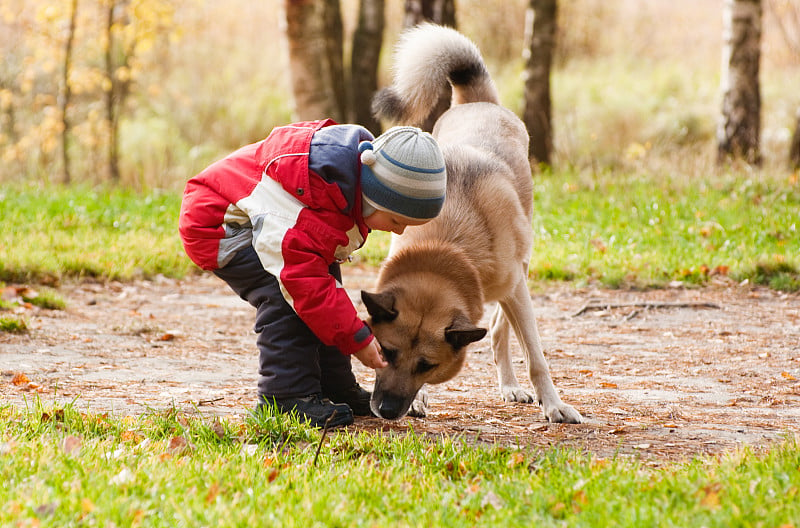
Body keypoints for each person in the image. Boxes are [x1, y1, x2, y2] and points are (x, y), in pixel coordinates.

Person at [178, 119, 446, 427]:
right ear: (375, 195)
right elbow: (302, 280)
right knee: (289, 298)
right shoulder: (315, 194)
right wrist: (357, 340)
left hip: (275, 228)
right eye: (397, 221)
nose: (398, 230)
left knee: (327, 296)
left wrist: (349, 333)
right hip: (221, 226)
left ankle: (333, 386)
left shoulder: (347, 188)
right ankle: (284, 398)